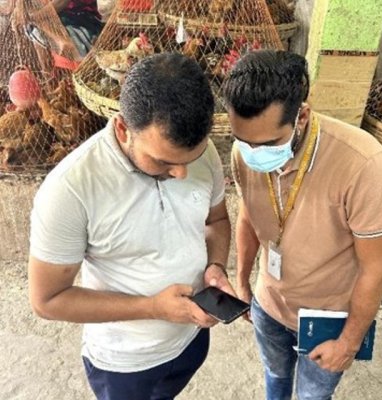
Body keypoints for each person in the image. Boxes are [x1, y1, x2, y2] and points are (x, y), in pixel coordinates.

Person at [29, 52, 233, 400]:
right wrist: (152, 307)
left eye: (191, 159)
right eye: (163, 161)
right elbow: (47, 300)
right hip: (126, 363)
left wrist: (215, 266)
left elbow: (216, 220)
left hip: (192, 338)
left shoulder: (203, 151)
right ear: (123, 128)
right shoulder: (70, 189)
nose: (181, 173)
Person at [222, 49, 382, 400]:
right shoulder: (243, 153)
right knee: (275, 376)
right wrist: (243, 282)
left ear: (302, 115)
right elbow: (247, 214)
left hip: (327, 319)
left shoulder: (365, 166)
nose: (254, 153)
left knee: (312, 395)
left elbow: (375, 270)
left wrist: (347, 343)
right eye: (244, 141)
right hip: (268, 304)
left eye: (269, 143)